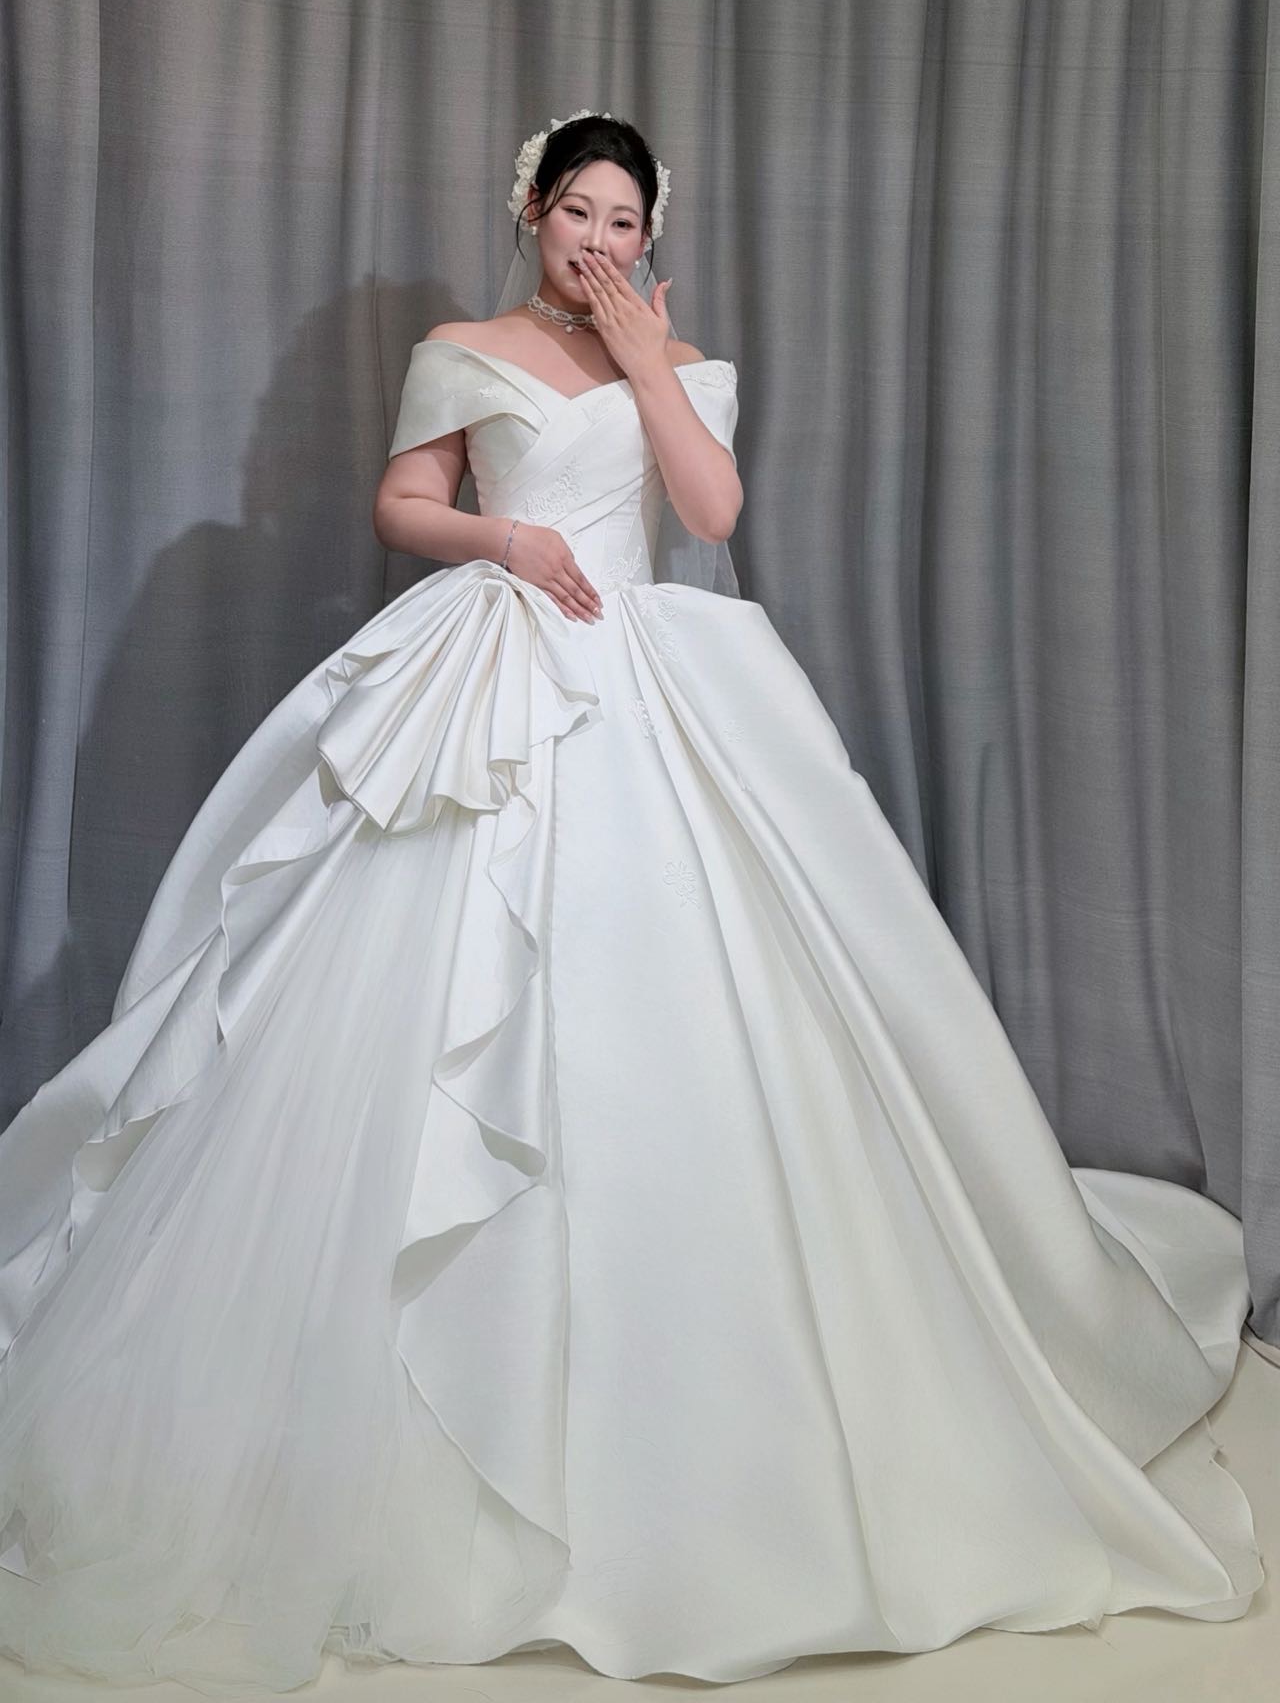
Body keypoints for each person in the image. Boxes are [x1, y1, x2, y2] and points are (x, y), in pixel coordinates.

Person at [0, 110, 1264, 1693]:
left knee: (677, 1020)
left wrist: (649, 360)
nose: (598, 239)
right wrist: (508, 539)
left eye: (625, 219)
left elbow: (711, 517)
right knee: (392, 1007)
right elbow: (401, 506)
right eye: (577, 210)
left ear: (650, 235)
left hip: (643, 687)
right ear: (531, 207)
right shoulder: (462, 351)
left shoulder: (687, 361)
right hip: (490, 665)